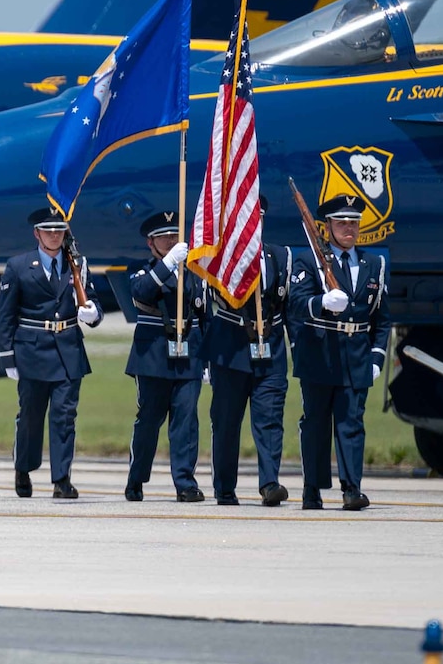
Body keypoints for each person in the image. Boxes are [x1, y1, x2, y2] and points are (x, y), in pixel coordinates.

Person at [285, 193, 391, 510]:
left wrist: (377, 357)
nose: (349, 228)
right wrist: (321, 303)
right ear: (327, 226)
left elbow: (382, 319)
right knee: (316, 424)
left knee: (351, 424)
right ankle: (311, 488)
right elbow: (295, 306)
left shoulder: (375, 264)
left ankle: (352, 488)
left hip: (356, 356)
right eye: (341, 222)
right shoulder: (311, 262)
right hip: (320, 355)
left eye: (353, 222)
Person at [0, 207, 102, 498]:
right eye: (48, 230)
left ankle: (61, 479)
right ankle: (23, 468)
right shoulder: (18, 266)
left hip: (68, 348)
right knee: (30, 415)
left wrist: (93, 314)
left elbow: (90, 299)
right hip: (31, 349)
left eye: (59, 230)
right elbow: (5, 315)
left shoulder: (77, 264)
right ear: (37, 233)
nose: (54, 235)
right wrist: (7, 356)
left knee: (64, 416)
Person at [200, 196, 291, 507]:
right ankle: (224, 487)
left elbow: (289, 310)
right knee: (226, 422)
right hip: (230, 349)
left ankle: (270, 483)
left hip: (271, 351)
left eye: (257, 217)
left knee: (270, 419)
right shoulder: (222, 261)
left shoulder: (280, 257)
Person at [122, 211, 208, 503]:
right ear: (151, 243)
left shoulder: (195, 273)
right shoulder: (140, 269)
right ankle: (137, 477)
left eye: (175, 236)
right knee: (149, 419)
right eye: (164, 237)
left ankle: (185, 482)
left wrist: (206, 359)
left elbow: (204, 315)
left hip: (189, 356)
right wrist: (168, 264)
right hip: (153, 356)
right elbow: (142, 292)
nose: (171, 241)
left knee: (186, 420)